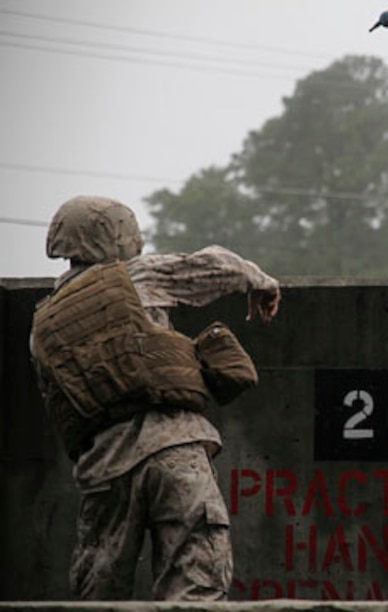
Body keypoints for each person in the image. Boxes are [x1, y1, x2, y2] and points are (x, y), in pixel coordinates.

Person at [28, 195, 281, 601]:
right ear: (116, 236)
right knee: (196, 582)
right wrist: (262, 283)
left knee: (100, 593)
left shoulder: (42, 325)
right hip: (173, 449)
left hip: (102, 469)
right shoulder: (135, 277)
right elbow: (217, 265)